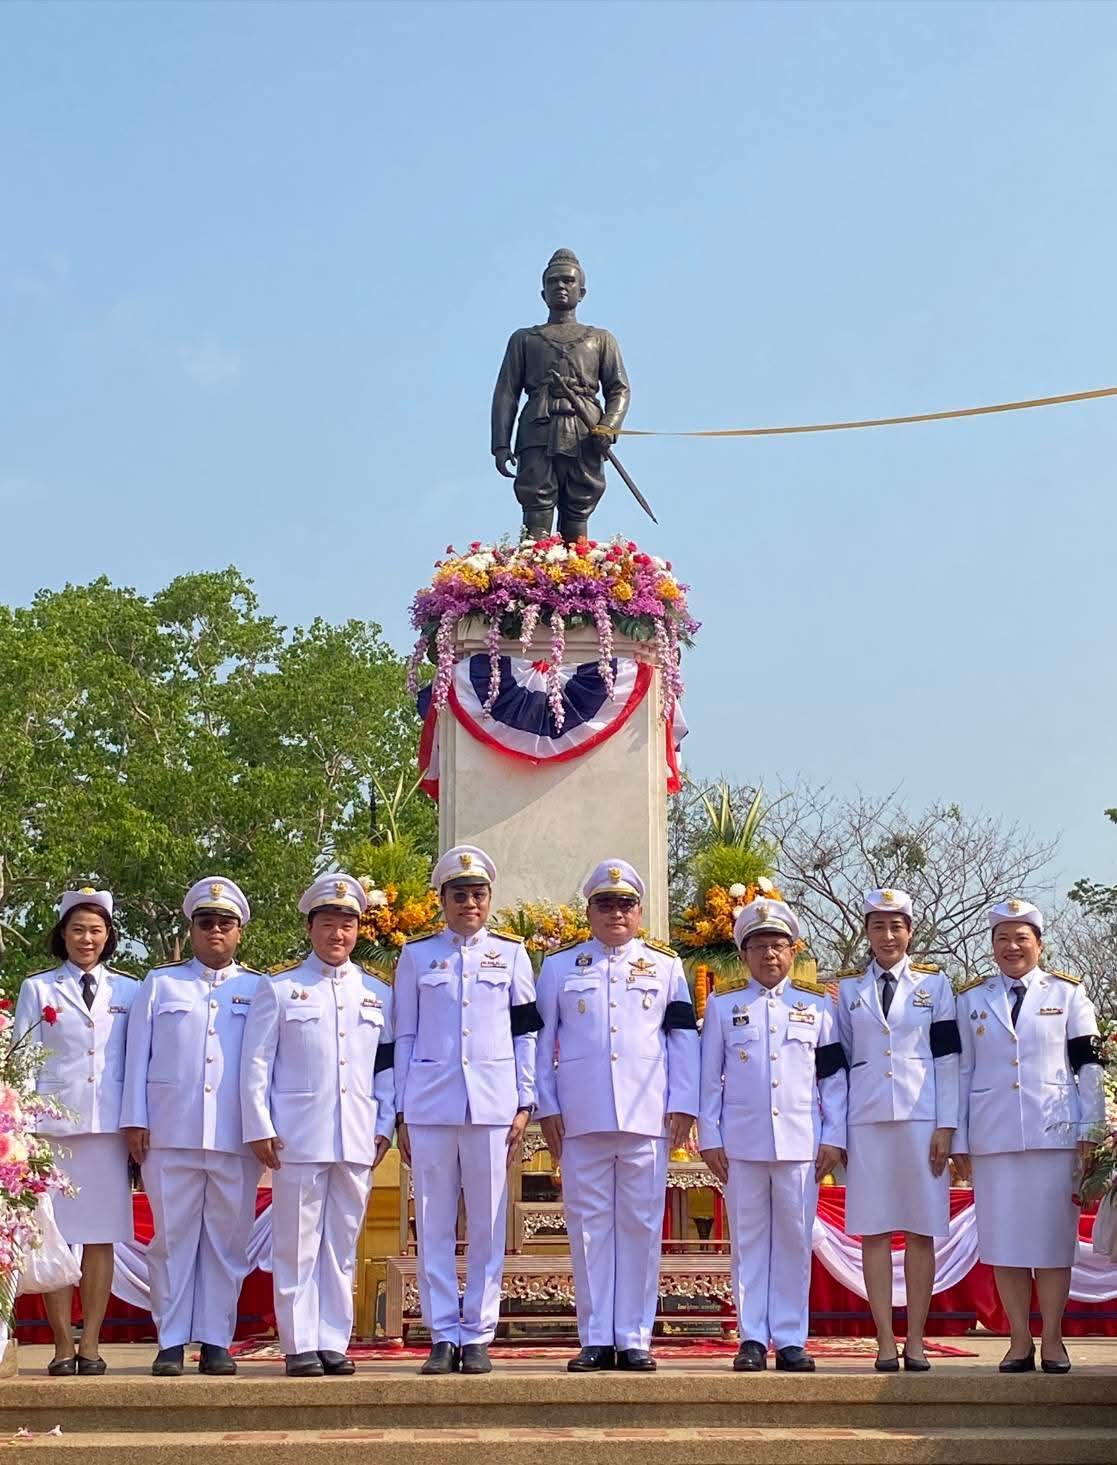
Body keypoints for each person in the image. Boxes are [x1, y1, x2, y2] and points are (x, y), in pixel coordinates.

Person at [534, 859, 699, 1372]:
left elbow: (683, 1040)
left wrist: (684, 1103)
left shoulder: (666, 967)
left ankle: (633, 1336)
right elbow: (541, 1044)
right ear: (590, 911)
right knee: (587, 1229)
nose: (616, 914)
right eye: (605, 905)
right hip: (581, 1116)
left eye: (625, 905)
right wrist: (547, 1104)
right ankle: (595, 1337)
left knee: (641, 1227)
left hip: (646, 1115)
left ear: (639, 912)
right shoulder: (560, 967)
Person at [393, 844, 541, 1375]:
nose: (469, 903)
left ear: (489, 899)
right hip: (430, 1106)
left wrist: (525, 1101)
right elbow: (403, 1035)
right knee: (432, 1222)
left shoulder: (513, 955)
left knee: (487, 1222)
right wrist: (402, 1110)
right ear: (443, 900)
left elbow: (527, 1035)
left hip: (493, 1106)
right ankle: (440, 1332)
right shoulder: (416, 956)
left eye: (478, 894)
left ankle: (477, 1332)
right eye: (459, 895)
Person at [241, 873, 394, 1377]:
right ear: (311, 928)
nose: (338, 935)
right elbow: (257, 1064)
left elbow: (385, 1068)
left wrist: (384, 1124)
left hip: (355, 1135)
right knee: (297, 1243)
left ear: (358, 930)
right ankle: (299, 1341)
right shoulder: (282, 988)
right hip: (297, 1137)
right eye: (328, 924)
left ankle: (333, 1338)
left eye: (347, 925)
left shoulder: (376, 992)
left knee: (341, 1243)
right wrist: (259, 1125)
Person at [951, 899, 1105, 1374]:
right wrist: (960, 1138)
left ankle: (1054, 1339)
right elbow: (961, 1071)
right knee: (1005, 1243)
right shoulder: (972, 999)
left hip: (1055, 1135)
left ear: (1039, 944)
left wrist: (1090, 1127)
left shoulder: (1069, 994)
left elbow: (1089, 1063)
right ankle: (1019, 1339)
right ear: (992, 946)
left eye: (1021, 938)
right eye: (1002, 938)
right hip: (994, 1138)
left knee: (1053, 1243)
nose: (1011, 947)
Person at [121, 878, 262, 1377]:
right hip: (169, 1132)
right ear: (192, 929)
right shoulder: (160, 983)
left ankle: (217, 1339)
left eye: (225, 923)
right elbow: (136, 1056)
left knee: (227, 1243)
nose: (216, 931)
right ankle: (172, 1339)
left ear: (240, 932)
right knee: (171, 1241)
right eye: (206, 923)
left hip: (234, 1136)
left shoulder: (257, 988)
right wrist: (133, 1119)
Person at [699, 897, 847, 1373]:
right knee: (748, 1241)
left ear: (793, 951)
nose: (770, 955)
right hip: (741, 1143)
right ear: (744, 954)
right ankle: (750, 1337)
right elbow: (708, 1079)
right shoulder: (724, 1007)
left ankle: (790, 1337)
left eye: (779, 946)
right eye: (759, 946)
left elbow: (833, 1080)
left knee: (793, 1239)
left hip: (801, 1142)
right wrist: (710, 1138)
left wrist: (834, 1136)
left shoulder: (817, 1006)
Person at [836, 888, 960, 1371]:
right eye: (878, 926)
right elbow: (840, 1062)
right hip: (866, 1121)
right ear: (866, 932)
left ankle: (916, 1340)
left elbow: (949, 1059)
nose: (888, 936)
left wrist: (946, 1125)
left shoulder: (937, 986)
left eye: (897, 926)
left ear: (910, 931)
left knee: (921, 1230)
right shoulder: (846, 991)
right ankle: (885, 1340)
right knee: (874, 1232)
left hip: (922, 1119)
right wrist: (839, 1131)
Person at [14, 888, 136, 1376]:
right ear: (62, 934)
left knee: (101, 1238)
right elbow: (24, 1062)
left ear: (108, 937)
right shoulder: (38, 988)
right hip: (53, 1131)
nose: (87, 938)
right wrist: (22, 1130)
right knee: (57, 1239)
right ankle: (63, 1346)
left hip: (107, 1130)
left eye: (97, 930)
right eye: (78, 929)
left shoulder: (129, 990)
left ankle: (93, 1345)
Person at [491, 248, 631, 543]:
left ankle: (578, 578)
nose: (561, 287)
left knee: (578, 506)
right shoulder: (524, 339)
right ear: (543, 293)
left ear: (582, 292)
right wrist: (500, 444)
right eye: (553, 282)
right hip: (537, 428)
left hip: (585, 430)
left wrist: (609, 426)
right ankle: (534, 576)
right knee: (536, 503)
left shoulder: (601, 339)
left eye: (568, 281)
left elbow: (619, 389)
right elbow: (507, 392)